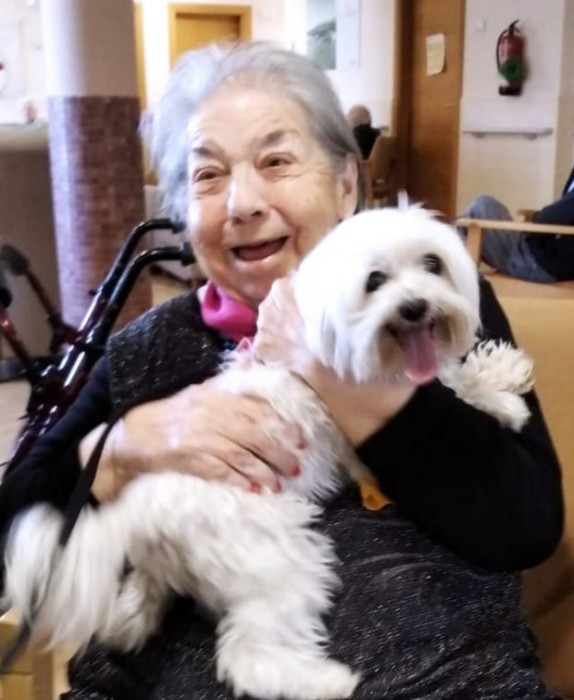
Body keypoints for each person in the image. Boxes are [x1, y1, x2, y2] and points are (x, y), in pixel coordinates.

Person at [0, 42, 564, 699]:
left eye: (276, 161)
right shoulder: (144, 349)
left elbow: (524, 525)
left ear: (345, 184)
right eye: (208, 176)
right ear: (184, 213)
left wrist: (332, 375)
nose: (242, 202)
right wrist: (121, 449)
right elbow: (13, 530)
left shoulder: (432, 305)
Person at [459, 164, 574, 282]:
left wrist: (534, 223)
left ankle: (452, 264)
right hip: (540, 251)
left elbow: (550, 217)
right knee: (478, 211)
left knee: (482, 206)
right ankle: (452, 261)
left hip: (541, 262)